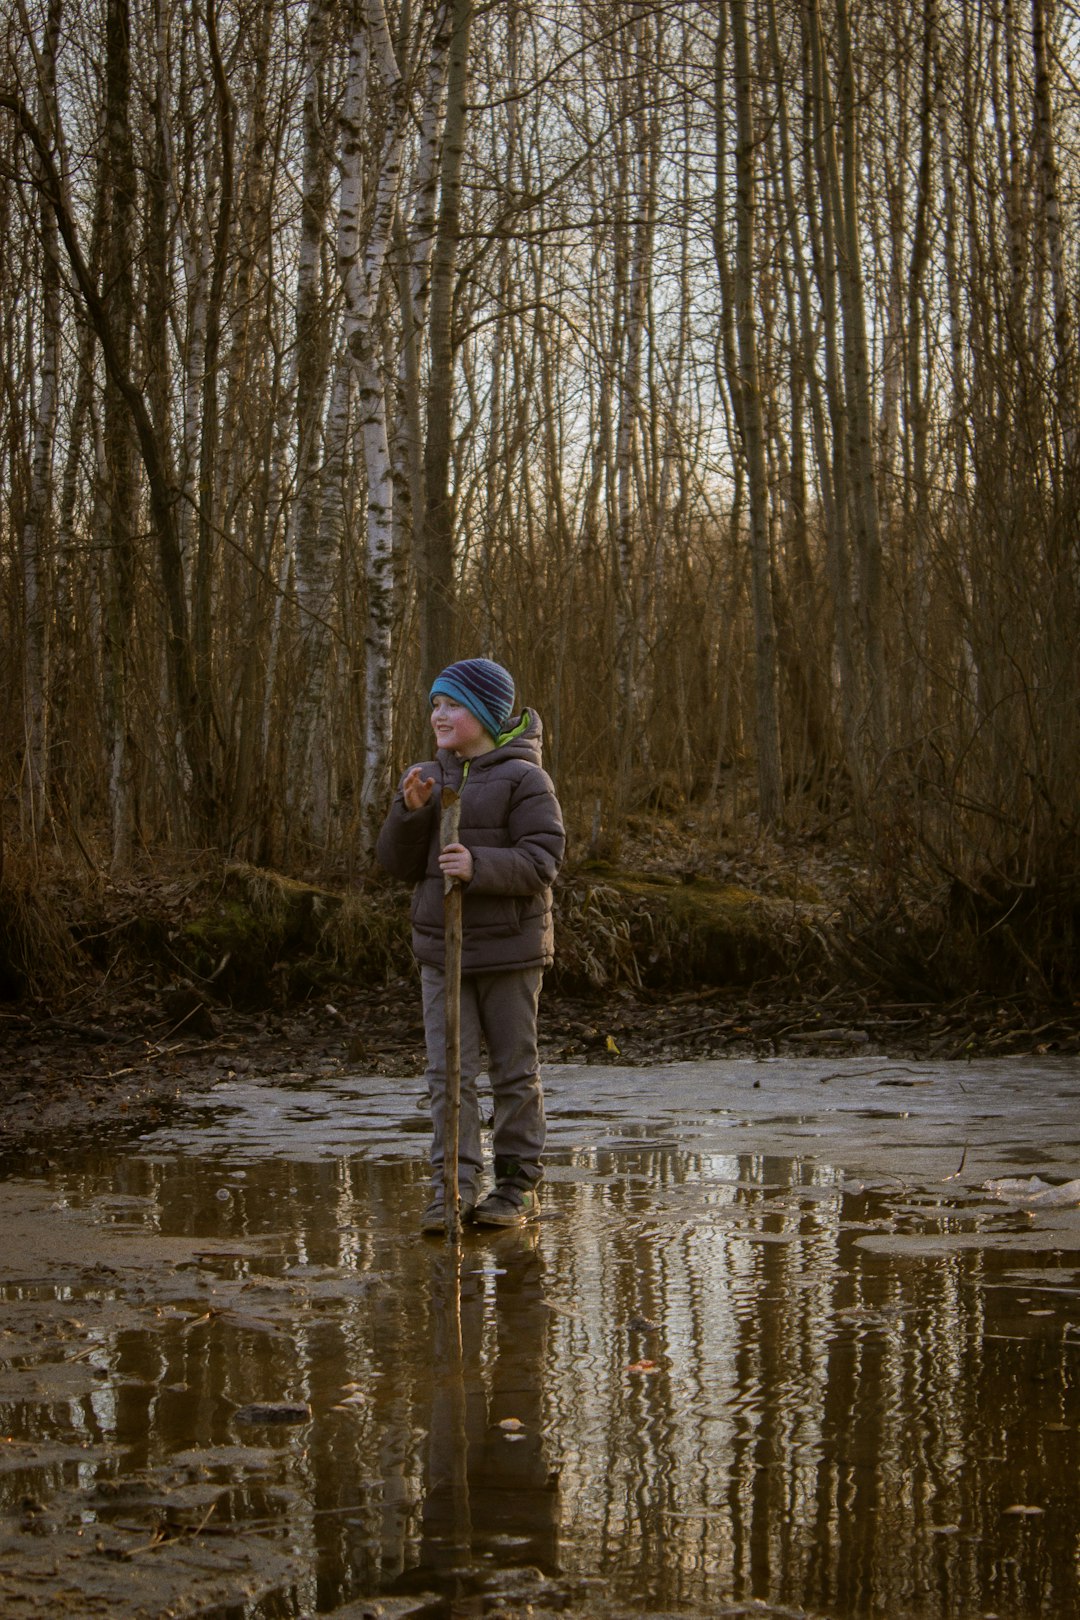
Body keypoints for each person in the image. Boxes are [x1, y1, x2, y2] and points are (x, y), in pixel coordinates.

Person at [375, 657, 565, 1233]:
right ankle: (451, 1190)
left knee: (512, 1072)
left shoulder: (526, 779)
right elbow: (394, 865)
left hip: (509, 952)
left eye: (451, 704)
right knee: (448, 1075)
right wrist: (410, 814)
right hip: (442, 953)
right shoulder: (430, 777)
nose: (439, 715)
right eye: (434, 704)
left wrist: (479, 864)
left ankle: (516, 1187)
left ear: (483, 712)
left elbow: (543, 860)